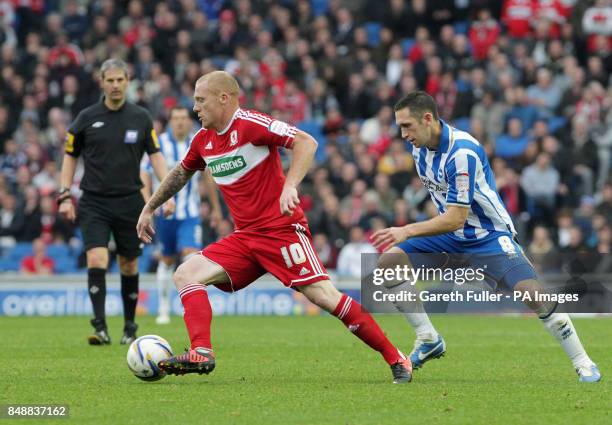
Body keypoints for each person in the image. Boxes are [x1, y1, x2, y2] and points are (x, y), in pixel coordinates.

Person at [136, 71, 413, 384]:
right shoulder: (203, 141)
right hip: (245, 238)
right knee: (185, 274)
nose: (195, 108)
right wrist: (150, 206)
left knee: (324, 297)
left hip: (281, 231)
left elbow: (306, 142)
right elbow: (180, 174)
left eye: (201, 100)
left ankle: (396, 357)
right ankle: (201, 351)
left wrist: (289, 185)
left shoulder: (251, 124)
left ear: (223, 98)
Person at [371, 91, 601, 382]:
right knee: (388, 264)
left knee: (532, 293)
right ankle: (428, 338)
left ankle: (583, 362)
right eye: (400, 127)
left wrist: (406, 230)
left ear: (428, 118)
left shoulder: (462, 152)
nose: (403, 134)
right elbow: (446, 206)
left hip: (487, 234)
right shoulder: (419, 148)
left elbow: (457, 216)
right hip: (450, 236)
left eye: (407, 126)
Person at [58, 58, 173, 346]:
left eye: (120, 80)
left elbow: (156, 156)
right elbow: (69, 157)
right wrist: (64, 195)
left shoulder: (141, 118)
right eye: (110, 80)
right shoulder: (85, 118)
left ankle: (129, 327)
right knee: (97, 258)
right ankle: (100, 327)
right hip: (94, 201)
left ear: (128, 80)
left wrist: (167, 193)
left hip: (130, 201)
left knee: (129, 264)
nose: (115, 85)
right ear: (102, 82)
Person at [140, 106, 222, 325]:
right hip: (164, 214)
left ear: (189, 121)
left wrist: (215, 209)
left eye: (183, 118)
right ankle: (164, 308)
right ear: (170, 121)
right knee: (166, 260)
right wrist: (149, 205)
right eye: (175, 118)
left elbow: (208, 179)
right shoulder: (160, 144)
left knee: (190, 256)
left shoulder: (198, 142)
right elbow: (145, 174)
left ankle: (192, 307)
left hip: (190, 213)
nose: (179, 122)